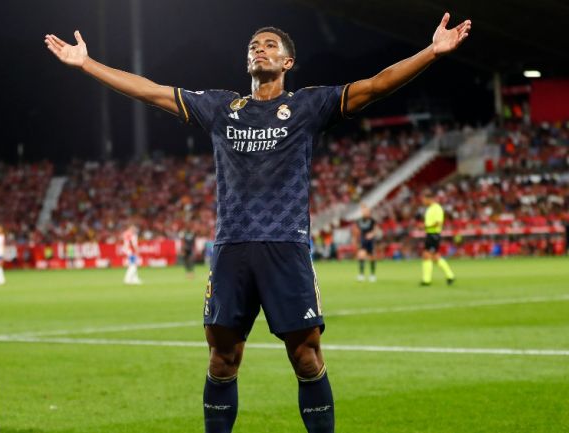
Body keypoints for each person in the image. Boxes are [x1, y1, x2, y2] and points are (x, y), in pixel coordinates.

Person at [45, 13, 470, 432]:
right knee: (221, 360)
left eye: (270, 45)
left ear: (287, 63)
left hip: (286, 246)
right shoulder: (219, 108)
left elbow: (376, 86)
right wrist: (87, 63)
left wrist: (431, 51)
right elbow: (153, 92)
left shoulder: (308, 105)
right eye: (254, 45)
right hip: (231, 249)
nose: (259, 49)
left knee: (306, 358)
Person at [420, 189, 455, 285]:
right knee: (435, 257)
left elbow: (438, 223)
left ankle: (426, 280)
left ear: (429, 199)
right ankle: (450, 276)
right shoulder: (430, 208)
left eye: (424, 199)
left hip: (434, 234)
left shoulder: (437, 208)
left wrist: (425, 226)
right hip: (430, 234)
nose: (423, 201)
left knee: (427, 255)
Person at [355, 205, 378, 282]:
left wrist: (371, 234)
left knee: (372, 258)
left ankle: (372, 275)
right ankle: (361, 275)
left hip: (370, 241)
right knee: (361, 256)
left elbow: (375, 230)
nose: (365, 213)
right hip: (363, 241)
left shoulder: (372, 221)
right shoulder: (359, 221)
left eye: (367, 211)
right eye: (364, 211)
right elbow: (356, 231)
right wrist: (356, 240)